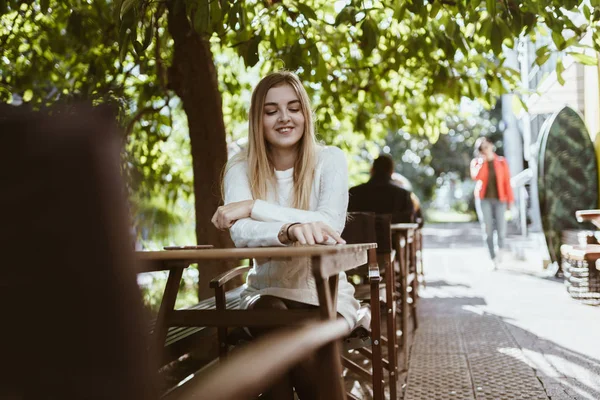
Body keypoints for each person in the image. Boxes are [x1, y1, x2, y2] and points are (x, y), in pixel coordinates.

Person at [211, 71, 359, 398]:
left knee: (283, 348)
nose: (284, 118)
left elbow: (328, 226)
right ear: (258, 119)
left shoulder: (330, 159)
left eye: (293, 108)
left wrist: (254, 206)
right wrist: (290, 229)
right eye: (271, 110)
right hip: (265, 294)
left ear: (305, 114)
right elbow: (242, 232)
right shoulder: (240, 166)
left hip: (325, 297)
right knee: (271, 313)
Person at [470, 137, 514, 267]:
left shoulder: (501, 162)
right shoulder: (476, 163)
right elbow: (477, 177)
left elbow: (507, 182)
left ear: (491, 145)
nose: (486, 148)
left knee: (501, 228)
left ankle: (500, 250)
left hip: (500, 199)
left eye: (487, 145)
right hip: (484, 200)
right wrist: (484, 161)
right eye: (482, 147)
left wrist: (510, 201)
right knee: (488, 228)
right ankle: (492, 257)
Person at [348, 154, 415, 223]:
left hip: (357, 233)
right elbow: (410, 220)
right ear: (391, 171)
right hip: (393, 234)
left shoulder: (354, 193)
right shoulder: (403, 196)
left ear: (372, 170)